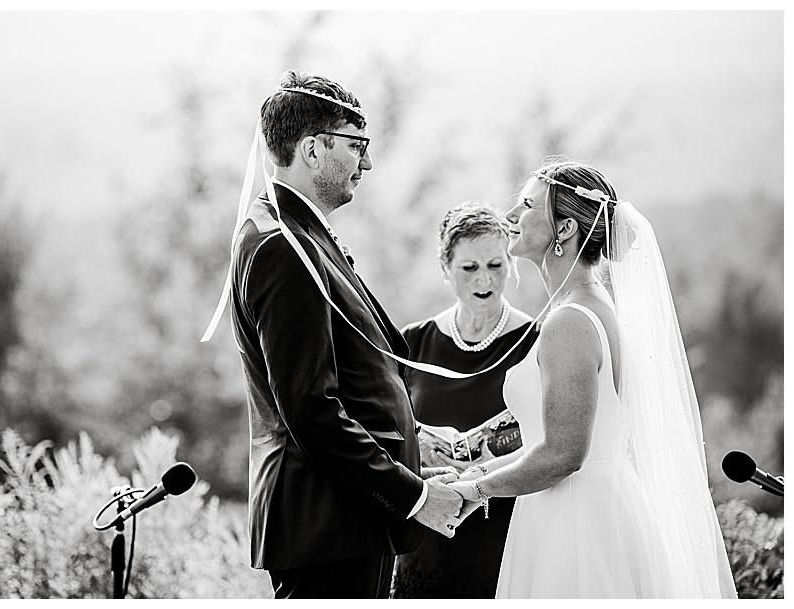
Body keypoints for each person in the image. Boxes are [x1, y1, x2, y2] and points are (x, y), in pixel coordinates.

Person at [446, 159, 736, 598]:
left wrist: (475, 491)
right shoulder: (585, 306)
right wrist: (471, 472)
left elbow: (563, 455)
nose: (510, 217)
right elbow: (550, 442)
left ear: (564, 230)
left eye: (526, 206)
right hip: (578, 508)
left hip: (576, 527)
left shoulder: (571, 322)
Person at [225, 71, 465, 599]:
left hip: (344, 521)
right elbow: (311, 408)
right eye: (357, 146)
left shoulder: (296, 230)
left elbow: (350, 368)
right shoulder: (281, 247)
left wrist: (412, 438)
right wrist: (415, 497)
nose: (368, 163)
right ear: (313, 149)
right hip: (326, 524)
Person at [392, 202, 536, 598]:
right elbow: (382, 436)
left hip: (506, 532)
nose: (484, 279)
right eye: (469, 268)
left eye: (495, 264)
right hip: (428, 531)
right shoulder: (412, 342)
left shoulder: (537, 343)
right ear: (445, 267)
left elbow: (555, 442)